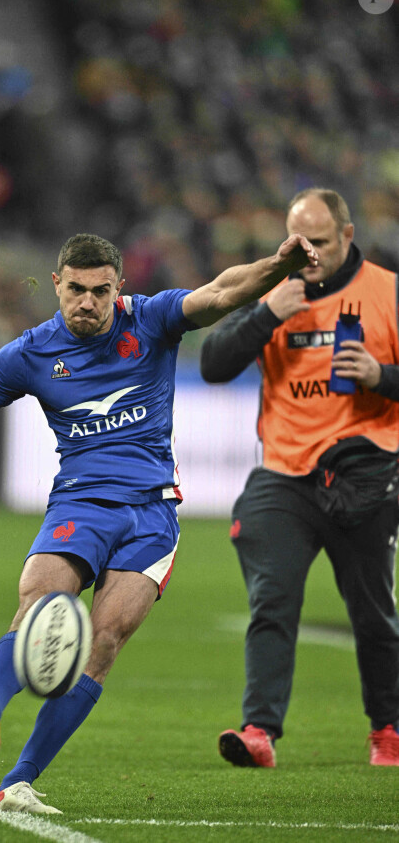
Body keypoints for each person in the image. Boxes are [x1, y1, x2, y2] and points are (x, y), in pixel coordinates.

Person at [0, 231, 318, 813]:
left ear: (119, 286)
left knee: (104, 642)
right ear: (55, 285)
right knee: (40, 600)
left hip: (151, 513)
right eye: (75, 290)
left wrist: (278, 265)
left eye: (99, 290)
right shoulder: (30, 353)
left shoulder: (152, 319)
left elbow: (221, 294)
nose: (87, 302)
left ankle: (15, 782)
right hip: (80, 502)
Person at [200, 188, 399, 769]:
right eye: (298, 241)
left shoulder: (387, 292)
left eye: (320, 241)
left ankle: (387, 728)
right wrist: (265, 314)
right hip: (283, 474)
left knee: (372, 610)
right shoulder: (276, 292)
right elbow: (213, 364)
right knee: (272, 599)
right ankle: (259, 732)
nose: (308, 252)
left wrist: (381, 376)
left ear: (348, 235)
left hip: (364, 470)